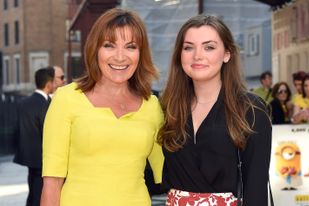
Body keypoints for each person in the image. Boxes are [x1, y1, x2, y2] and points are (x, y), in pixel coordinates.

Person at [40, 8, 164, 206]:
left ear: (141, 53)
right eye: (109, 45)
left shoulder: (152, 106)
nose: (120, 56)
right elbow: (52, 182)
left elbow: (170, 172)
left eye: (131, 46)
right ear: (95, 49)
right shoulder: (66, 99)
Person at [158, 15, 272, 206]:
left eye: (209, 47)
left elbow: (256, 188)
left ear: (227, 54)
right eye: (188, 47)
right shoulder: (167, 108)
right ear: (180, 54)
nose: (197, 55)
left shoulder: (251, 109)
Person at [13, 67, 54, 206]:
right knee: (38, 194)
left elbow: (16, 129)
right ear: (49, 84)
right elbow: (47, 131)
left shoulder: (23, 103)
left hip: (27, 157)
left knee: (33, 191)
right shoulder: (45, 104)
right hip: (42, 158)